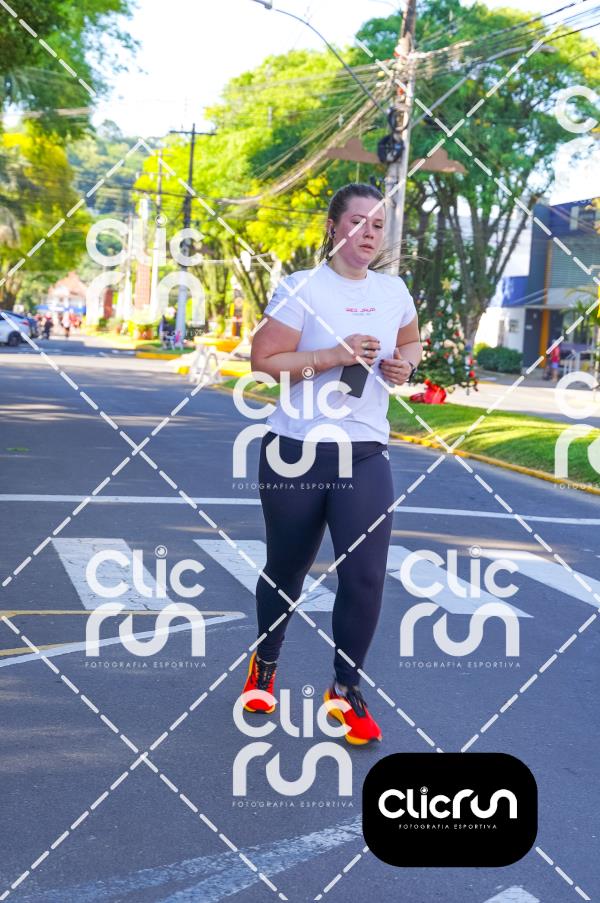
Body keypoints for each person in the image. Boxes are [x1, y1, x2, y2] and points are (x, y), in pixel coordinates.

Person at [240, 183, 422, 745]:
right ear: (333, 227)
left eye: (378, 225)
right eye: (358, 222)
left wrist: (405, 367)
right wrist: (331, 356)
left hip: (364, 449)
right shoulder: (303, 287)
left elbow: (411, 344)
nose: (369, 234)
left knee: (365, 575)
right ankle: (265, 664)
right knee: (287, 569)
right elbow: (264, 361)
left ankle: (345, 689)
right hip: (296, 449)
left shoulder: (393, 292)